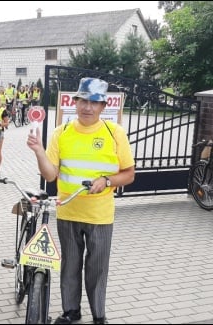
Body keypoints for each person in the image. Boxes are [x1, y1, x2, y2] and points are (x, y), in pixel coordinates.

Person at [26, 77, 135, 325]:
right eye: (83, 101)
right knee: (70, 267)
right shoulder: (61, 132)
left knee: (97, 269)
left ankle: (99, 315)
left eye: (94, 102)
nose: (88, 107)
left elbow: (129, 174)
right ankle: (71, 311)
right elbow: (50, 175)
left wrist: (107, 181)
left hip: (100, 215)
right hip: (68, 211)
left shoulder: (114, 132)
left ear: (103, 105)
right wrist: (39, 152)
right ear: (75, 102)